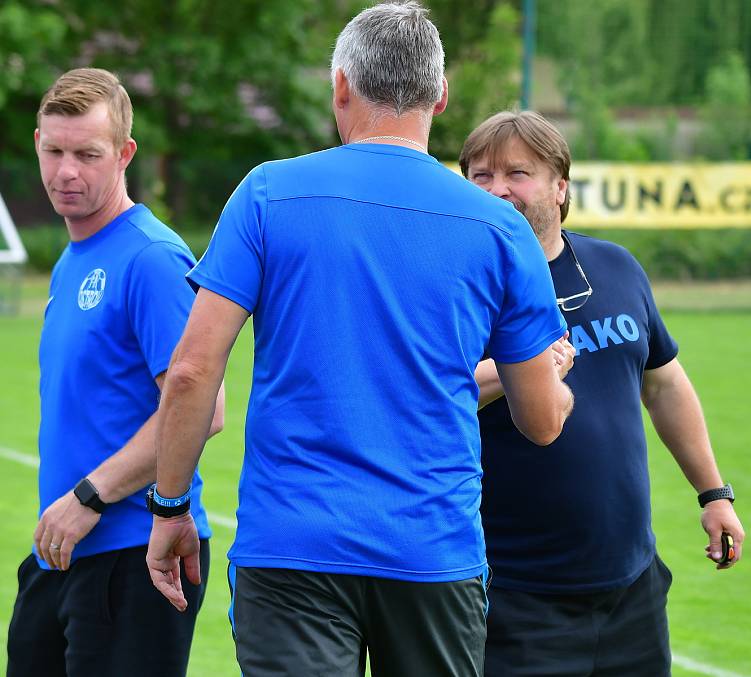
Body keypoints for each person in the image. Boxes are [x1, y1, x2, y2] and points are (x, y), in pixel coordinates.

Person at [145, 4, 573, 676]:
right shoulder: (500, 227)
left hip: (292, 546)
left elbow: (193, 370)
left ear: (340, 85)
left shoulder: (268, 194)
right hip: (431, 549)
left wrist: (170, 504)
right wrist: (555, 384)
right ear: (440, 94)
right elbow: (542, 421)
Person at [460, 110, 746, 677]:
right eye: (481, 175)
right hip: (516, 596)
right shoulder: (453, 287)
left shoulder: (615, 268)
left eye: (518, 173)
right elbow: (428, 399)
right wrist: (519, 369)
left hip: (630, 590)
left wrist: (713, 492)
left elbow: (664, 384)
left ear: (560, 186)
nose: (497, 189)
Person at [6, 68, 223, 677]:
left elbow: (204, 407)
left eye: (87, 154)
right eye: (54, 151)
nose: (66, 171)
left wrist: (89, 496)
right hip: (61, 556)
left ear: (124, 154)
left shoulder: (151, 258)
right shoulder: (71, 261)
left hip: (136, 555)